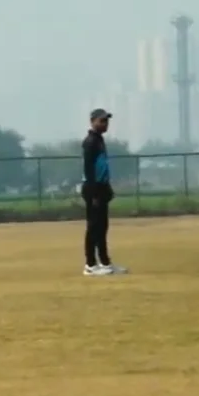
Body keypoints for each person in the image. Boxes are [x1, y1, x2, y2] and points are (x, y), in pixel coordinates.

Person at [81, 109, 126, 275]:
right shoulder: (90, 142)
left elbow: (102, 167)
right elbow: (88, 169)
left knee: (102, 227)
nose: (105, 124)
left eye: (106, 121)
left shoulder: (99, 140)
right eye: (102, 121)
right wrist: (94, 193)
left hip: (101, 187)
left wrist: (106, 188)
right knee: (93, 227)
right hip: (93, 188)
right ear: (92, 121)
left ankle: (105, 262)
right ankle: (90, 265)